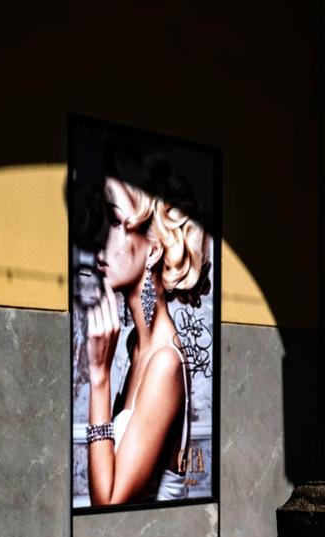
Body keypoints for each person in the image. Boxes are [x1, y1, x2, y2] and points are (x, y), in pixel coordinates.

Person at [84, 141, 212, 505]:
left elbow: (108, 503)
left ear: (153, 250)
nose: (98, 237)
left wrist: (99, 378)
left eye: (112, 219)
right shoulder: (135, 346)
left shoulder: (164, 365)